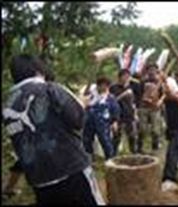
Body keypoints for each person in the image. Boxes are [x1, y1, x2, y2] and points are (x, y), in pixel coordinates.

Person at [2, 54, 105, 205]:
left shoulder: (7, 105)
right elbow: (77, 121)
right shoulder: (50, 88)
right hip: (71, 169)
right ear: (38, 69)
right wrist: (81, 103)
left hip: (39, 179)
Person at [2, 61, 56, 200]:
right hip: (33, 139)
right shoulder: (39, 92)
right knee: (24, 161)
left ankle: (9, 188)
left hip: (32, 139)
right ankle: (9, 188)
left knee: (24, 161)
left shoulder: (35, 93)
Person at [82, 76, 120, 160]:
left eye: (106, 85)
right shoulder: (91, 95)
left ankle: (110, 160)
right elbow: (84, 101)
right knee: (87, 141)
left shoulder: (110, 98)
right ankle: (89, 159)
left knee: (106, 141)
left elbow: (115, 110)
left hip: (103, 123)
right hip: (89, 122)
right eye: (102, 85)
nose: (103, 87)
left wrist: (115, 121)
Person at [110, 69, 140, 154]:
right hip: (118, 115)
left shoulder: (130, 87)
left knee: (132, 135)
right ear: (120, 77)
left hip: (129, 114)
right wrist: (124, 94)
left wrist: (135, 113)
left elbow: (133, 102)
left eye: (128, 76)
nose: (127, 78)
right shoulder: (114, 87)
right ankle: (113, 154)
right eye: (125, 76)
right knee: (117, 136)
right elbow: (113, 101)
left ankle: (134, 153)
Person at [137, 64, 164, 153]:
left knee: (155, 130)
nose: (152, 71)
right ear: (147, 71)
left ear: (156, 71)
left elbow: (163, 94)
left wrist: (160, 102)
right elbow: (138, 93)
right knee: (142, 129)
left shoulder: (159, 82)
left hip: (155, 108)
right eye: (150, 69)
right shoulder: (142, 81)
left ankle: (154, 147)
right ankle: (139, 147)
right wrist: (141, 101)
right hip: (143, 108)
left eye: (154, 69)